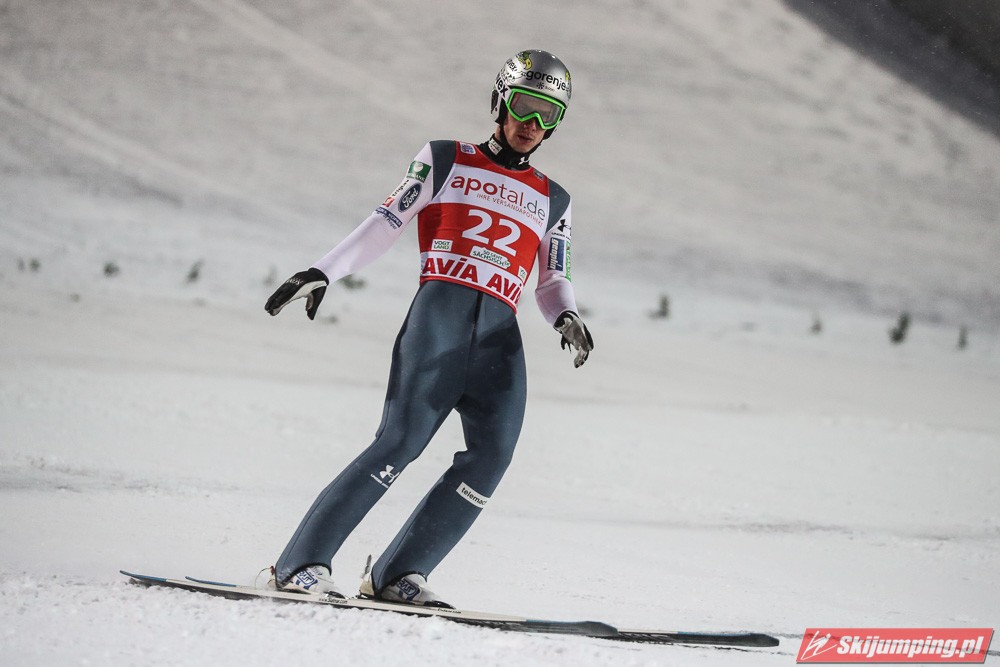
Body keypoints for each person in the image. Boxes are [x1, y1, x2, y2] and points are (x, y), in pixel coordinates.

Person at [263, 49, 593, 607]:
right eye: (523, 106)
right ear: (500, 102)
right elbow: (386, 221)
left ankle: (400, 575)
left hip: (499, 337)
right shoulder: (445, 158)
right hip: (440, 317)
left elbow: (552, 278)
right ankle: (299, 565)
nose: (531, 124)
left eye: (548, 115)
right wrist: (323, 271)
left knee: (493, 457)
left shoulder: (553, 198)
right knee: (400, 442)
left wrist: (567, 315)